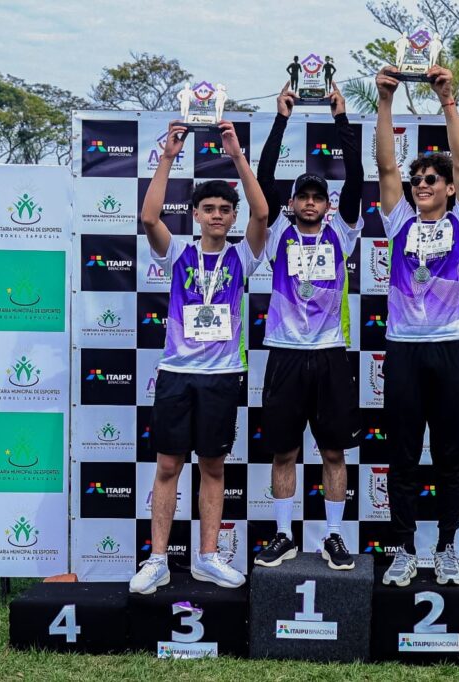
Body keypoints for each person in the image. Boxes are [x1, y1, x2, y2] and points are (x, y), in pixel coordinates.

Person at [130, 120, 268, 594]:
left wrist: (236, 156)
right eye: (208, 208)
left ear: (232, 216)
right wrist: (168, 156)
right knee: (168, 466)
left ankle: (208, 556)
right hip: (176, 373)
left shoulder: (243, 257)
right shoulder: (177, 254)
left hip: (223, 375)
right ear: (194, 214)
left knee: (213, 467)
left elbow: (263, 213)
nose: (216, 215)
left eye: (224, 210)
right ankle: (158, 560)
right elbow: (149, 218)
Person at [374, 65, 459, 587]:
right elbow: (385, 167)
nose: (420, 184)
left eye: (430, 180)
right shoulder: (399, 222)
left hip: (450, 348)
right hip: (403, 350)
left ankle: (446, 548)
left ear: (448, 189)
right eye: (416, 180)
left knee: (448, 458)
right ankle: (403, 549)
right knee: (401, 457)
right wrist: (384, 101)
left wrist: (447, 100)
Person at [252, 82, 364, 571]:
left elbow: (356, 175)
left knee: (333, 452)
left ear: (328, 204)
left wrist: (341, 119)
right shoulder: (277, 231)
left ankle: (333, 537)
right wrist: (282, 118)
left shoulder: (343, 231)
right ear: (293, 202)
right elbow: (263, 176)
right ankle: (283, 535)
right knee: (284, 452)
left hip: (330, 355)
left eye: (319, 197)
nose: (311, 203)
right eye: (304, 197)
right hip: (284, 353)